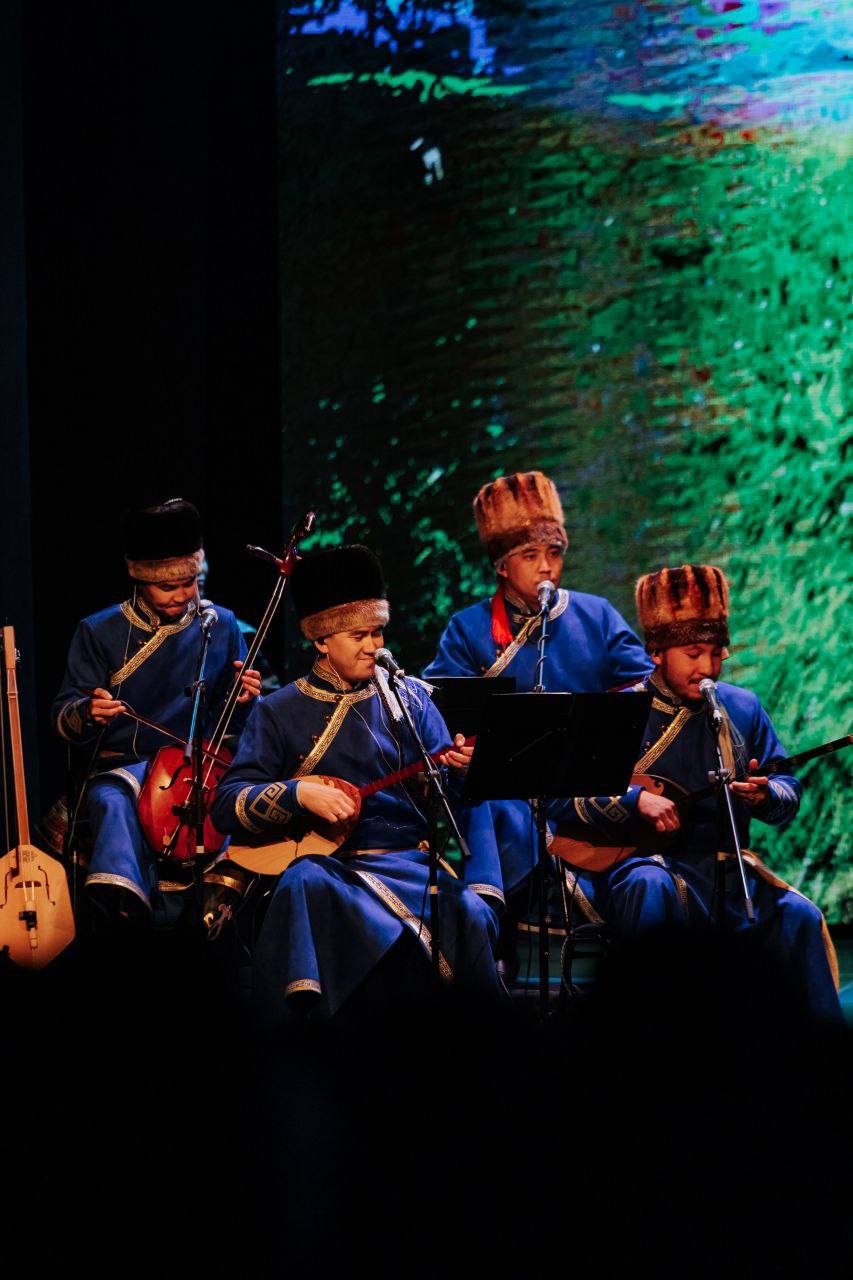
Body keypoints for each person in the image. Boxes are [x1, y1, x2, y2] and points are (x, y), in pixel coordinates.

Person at [212, 544, 504, 1021]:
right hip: (331, 867)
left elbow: (448, 800)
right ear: (321, 640)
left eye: (378, 632)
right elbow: (228, 803)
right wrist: (298, 793)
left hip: (408, 864)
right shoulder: (279, 710)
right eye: (359, 635)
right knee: (303, 880)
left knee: (468, 911)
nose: (374, 646)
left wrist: (459, 771)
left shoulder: (410, 701)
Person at [553, 563, 842, 1022]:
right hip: (647, 865)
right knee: (650, 887)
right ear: (656, 652)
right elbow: (561, 796)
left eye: (715, 653)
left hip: (728, 871)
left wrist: (765, 796)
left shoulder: (741, 707)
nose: (707, 668)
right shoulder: (621, 710)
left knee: (799, 917)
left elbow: (787, 788)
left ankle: (818, 1055)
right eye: (692, 654)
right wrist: (635, 800)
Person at [424, 469, 652, 902]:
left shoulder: (597, 615)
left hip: (587, 786)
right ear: (502, 566)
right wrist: (461, 750)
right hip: (507, 794)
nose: (546, 566)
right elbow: (439, 714)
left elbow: (646, 693)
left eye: (554, 552)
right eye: (530, 555)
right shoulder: (468, 629)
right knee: (487, 799)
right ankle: (490, 908)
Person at [52, 498, 261, 928]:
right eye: (168, 587)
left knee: (233, 802)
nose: (182, 595)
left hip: (198, 766)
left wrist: (243, 699)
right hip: (124, 767)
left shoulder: (221, 624)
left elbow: (235, 725)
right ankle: (127, 914)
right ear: (140, 579)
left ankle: (218, 905)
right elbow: (64, 716)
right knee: (110, 801)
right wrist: (90, 711)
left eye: (190, 583)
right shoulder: (99, 630)